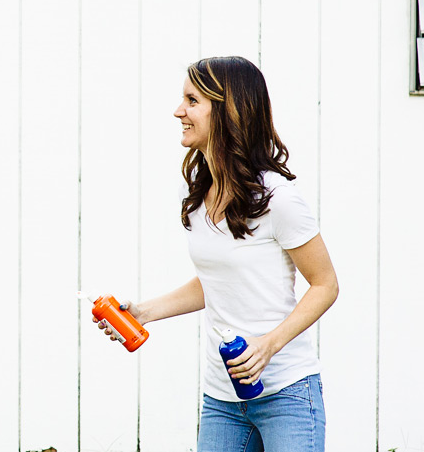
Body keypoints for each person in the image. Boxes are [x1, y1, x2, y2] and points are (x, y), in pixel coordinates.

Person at [97, 55, 338, 452]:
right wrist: (143, 312)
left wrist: (267, 346)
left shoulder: (277, 198)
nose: (179, 111)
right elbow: (218, 281)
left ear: (227, 112)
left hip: (287, 393)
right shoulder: (193, 194)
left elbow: (325, 285)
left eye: (192, 101)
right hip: (222, 399)